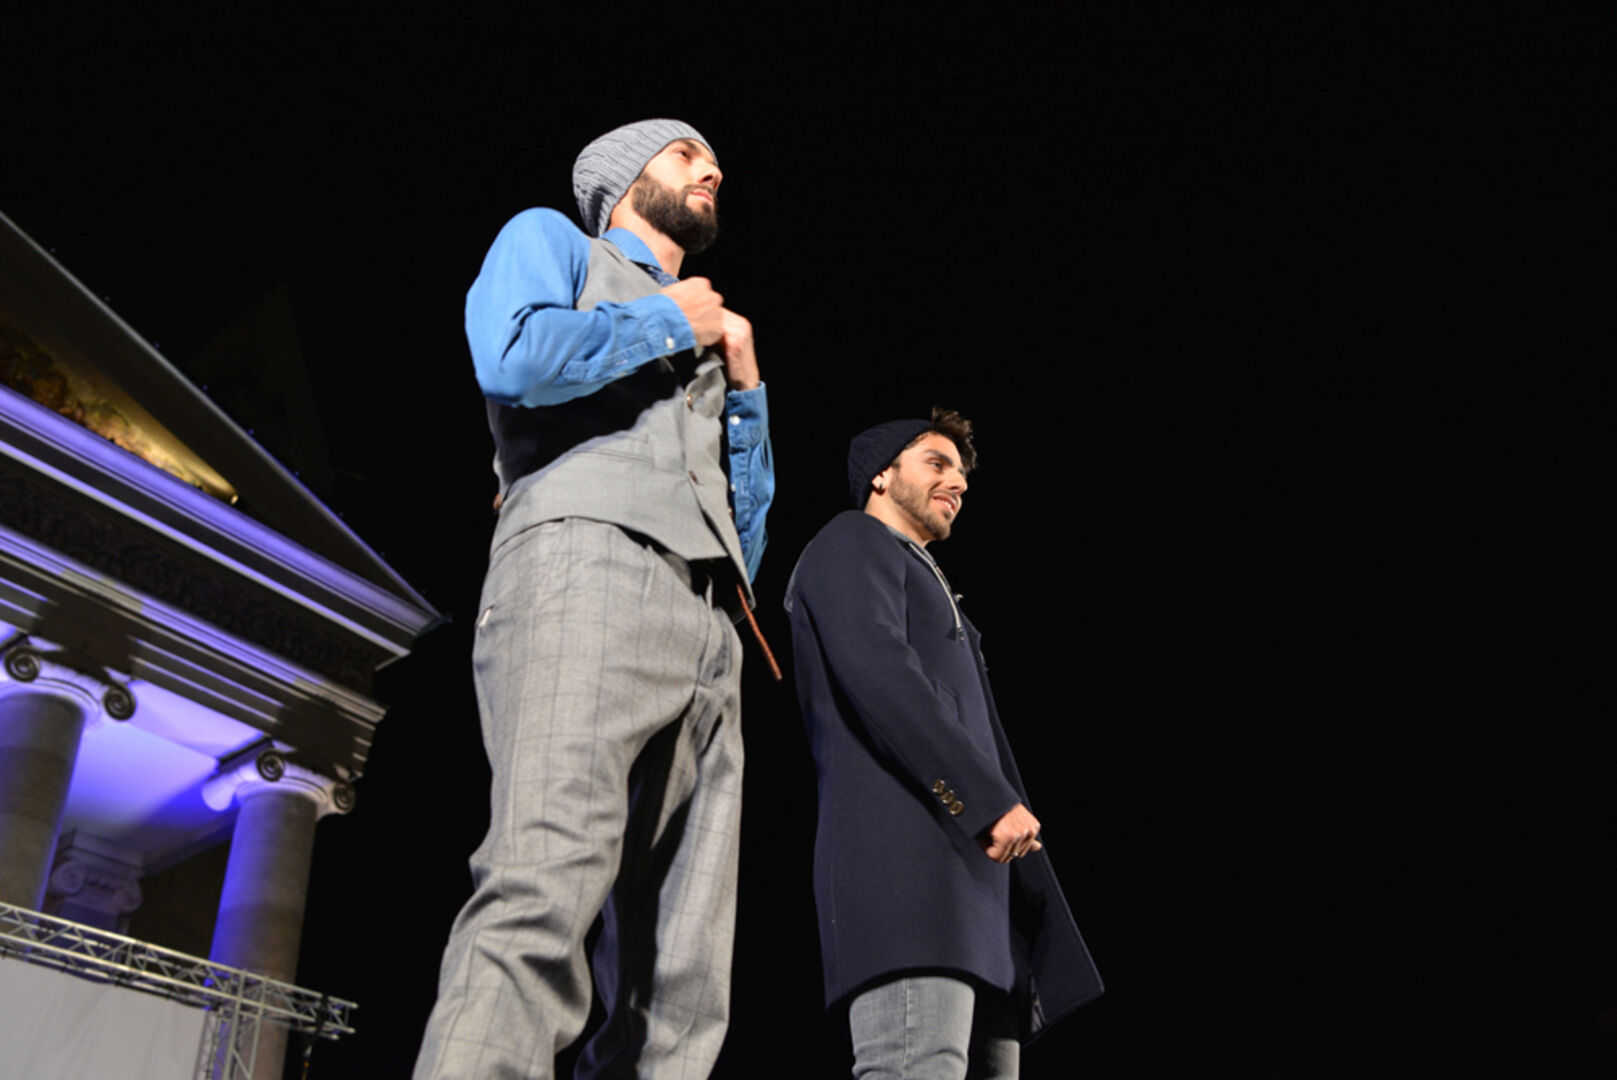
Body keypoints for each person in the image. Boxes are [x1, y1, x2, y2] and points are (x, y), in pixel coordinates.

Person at [414, 119, 774, 1080]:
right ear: (622, 178)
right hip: (588, 562)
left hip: (710, 623)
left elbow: (744, 536)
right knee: (543, 885)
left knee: (680, 978)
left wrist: (745, 391)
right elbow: (514, 358)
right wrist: (671, 322)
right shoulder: (554, 240)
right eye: (686, 153)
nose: (712, 169)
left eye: (712, 158)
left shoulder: (711, 331)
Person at [783, 409, 1101, 1079]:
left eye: (961, 472)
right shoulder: (851, 541)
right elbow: (879, 672)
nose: (957, 482)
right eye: (937, 463)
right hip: (907, 882)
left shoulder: (933, 585)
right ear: (881, 474)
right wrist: (987, 802)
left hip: (978, 902)